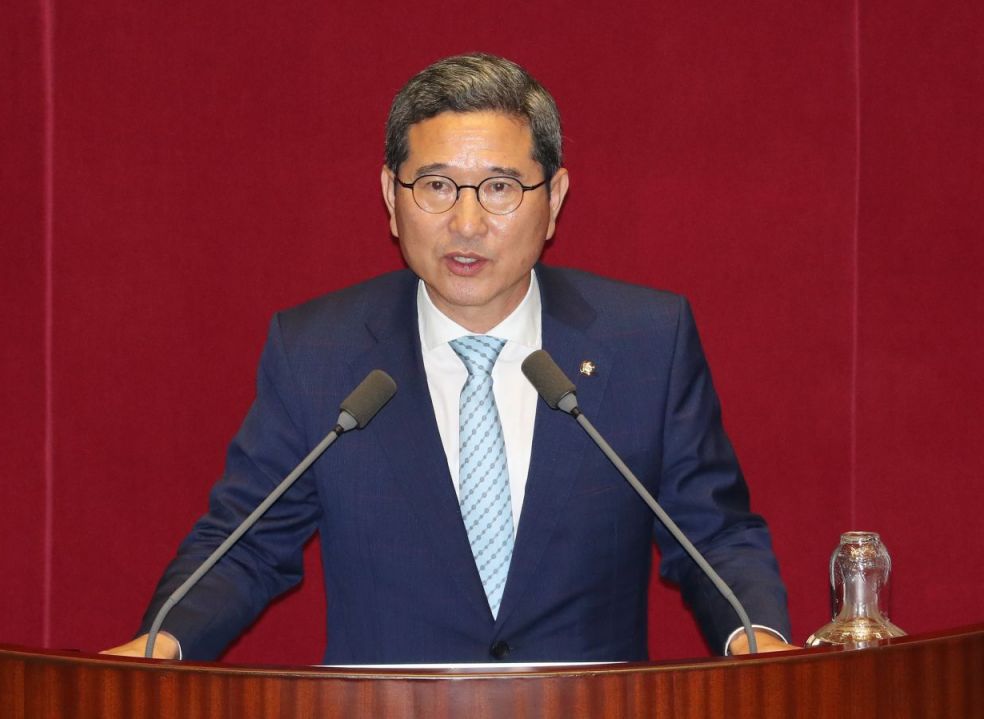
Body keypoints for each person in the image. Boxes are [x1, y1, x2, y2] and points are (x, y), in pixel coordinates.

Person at [105, 53, 795, 663]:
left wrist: (756, 637)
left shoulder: (646, 341)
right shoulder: (317, 351)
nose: (467, 224)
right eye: (436, 186)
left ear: (553, 199)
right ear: (391, 196)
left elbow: (713, 535)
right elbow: (246, 545)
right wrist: (166, 641)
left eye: (500, 188)